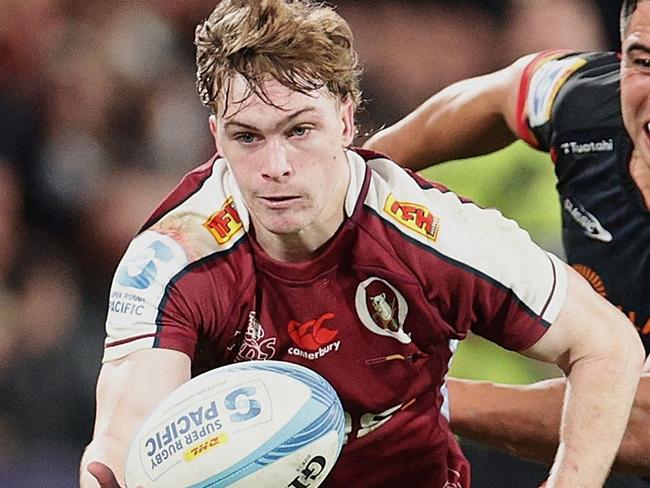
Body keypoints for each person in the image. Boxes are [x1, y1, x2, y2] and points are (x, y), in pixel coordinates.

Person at [79, 1, 644, 487]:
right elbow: (125, 436)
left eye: (300, 131)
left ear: (346, 121)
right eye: (246, 137)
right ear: (215, 136)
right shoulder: (177, 253)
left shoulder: (436, 236)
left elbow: (607, 345)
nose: (275, 167)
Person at [365, 0, 650, 478]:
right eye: (644, 60)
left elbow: (639, 424)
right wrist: (347, 178)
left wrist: (408, 394)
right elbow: (503, 94)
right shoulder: (583, 100)